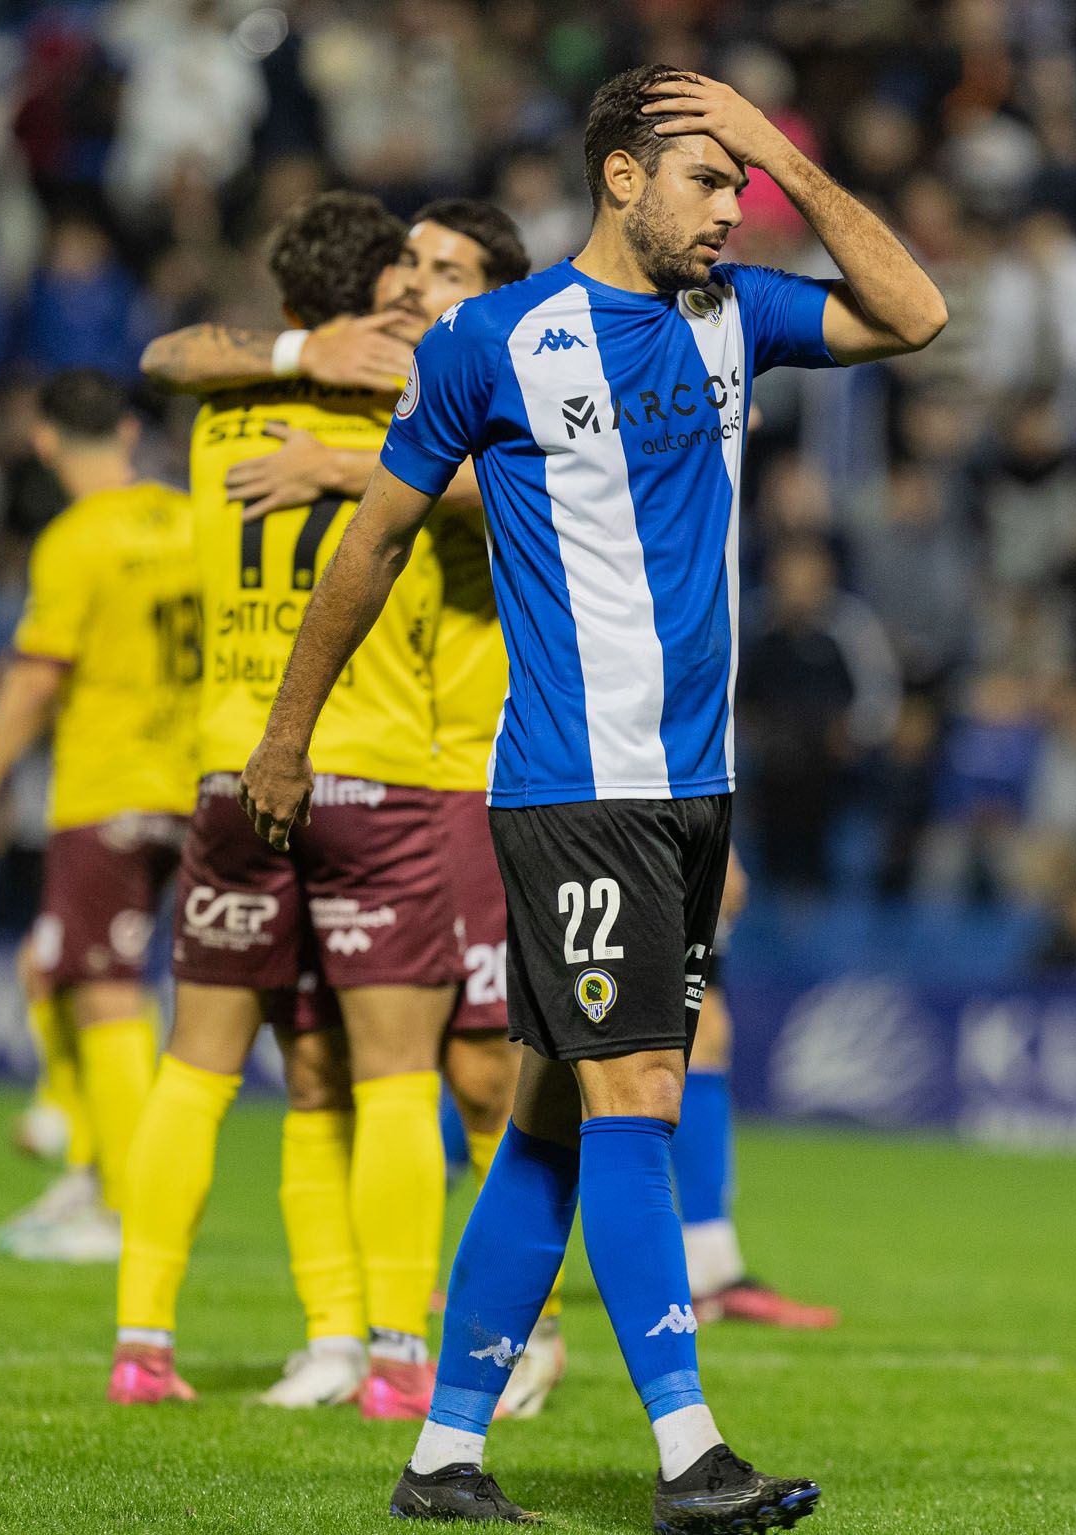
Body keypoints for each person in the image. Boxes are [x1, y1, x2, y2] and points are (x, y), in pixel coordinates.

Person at [241, 63, 944, 1531]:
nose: (730, 207)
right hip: (577, 785)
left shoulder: (737, 315)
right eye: (708, 179)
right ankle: (692, 1455)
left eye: (740, 185)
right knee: (642, 1093)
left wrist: (787, 162)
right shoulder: (496, 342)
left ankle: (443, 1452)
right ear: (620, 176)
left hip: (693, 789)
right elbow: (367, 544)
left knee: (555, 1122)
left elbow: (915, 313)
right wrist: (287, 736)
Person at [151, 200, 569, 1415]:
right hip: (391, 775)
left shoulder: (516, 379)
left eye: (443, 270)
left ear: (490, 294)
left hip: (500, 769)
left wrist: (358, 471)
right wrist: (302, 358)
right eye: (407, 264)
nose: (411, 286)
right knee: (327, 1059)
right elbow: (171, 355)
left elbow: (540, 497)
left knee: (487, 1073)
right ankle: (347, 1334)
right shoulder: (371, 381)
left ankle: (520, 1325)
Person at [111, 192, 457, 1418]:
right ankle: (398, 1357)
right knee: (396, 1077)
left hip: (226, 769)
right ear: (376, 295)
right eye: (405, 280)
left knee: (204, 1069)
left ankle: (143, 1339)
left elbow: (165, 352)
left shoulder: (222, 405)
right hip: (373, 766)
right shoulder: (414, 396)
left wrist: (294, 350)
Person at [0, 370, 196, 1263]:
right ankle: (82, 1159)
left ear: (44, 441)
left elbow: (36, 681)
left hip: (107, 787)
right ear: (127, 430)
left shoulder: (73, 541)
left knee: (102, 988)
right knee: (49, 967)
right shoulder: (197, 519)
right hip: (200, 783)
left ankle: (118, 1203)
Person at [677, 848, 837, 1328]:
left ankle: (711, 1263)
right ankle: (709, 1269)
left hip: (666, 810)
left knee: (704, 1032)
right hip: (650, 812)